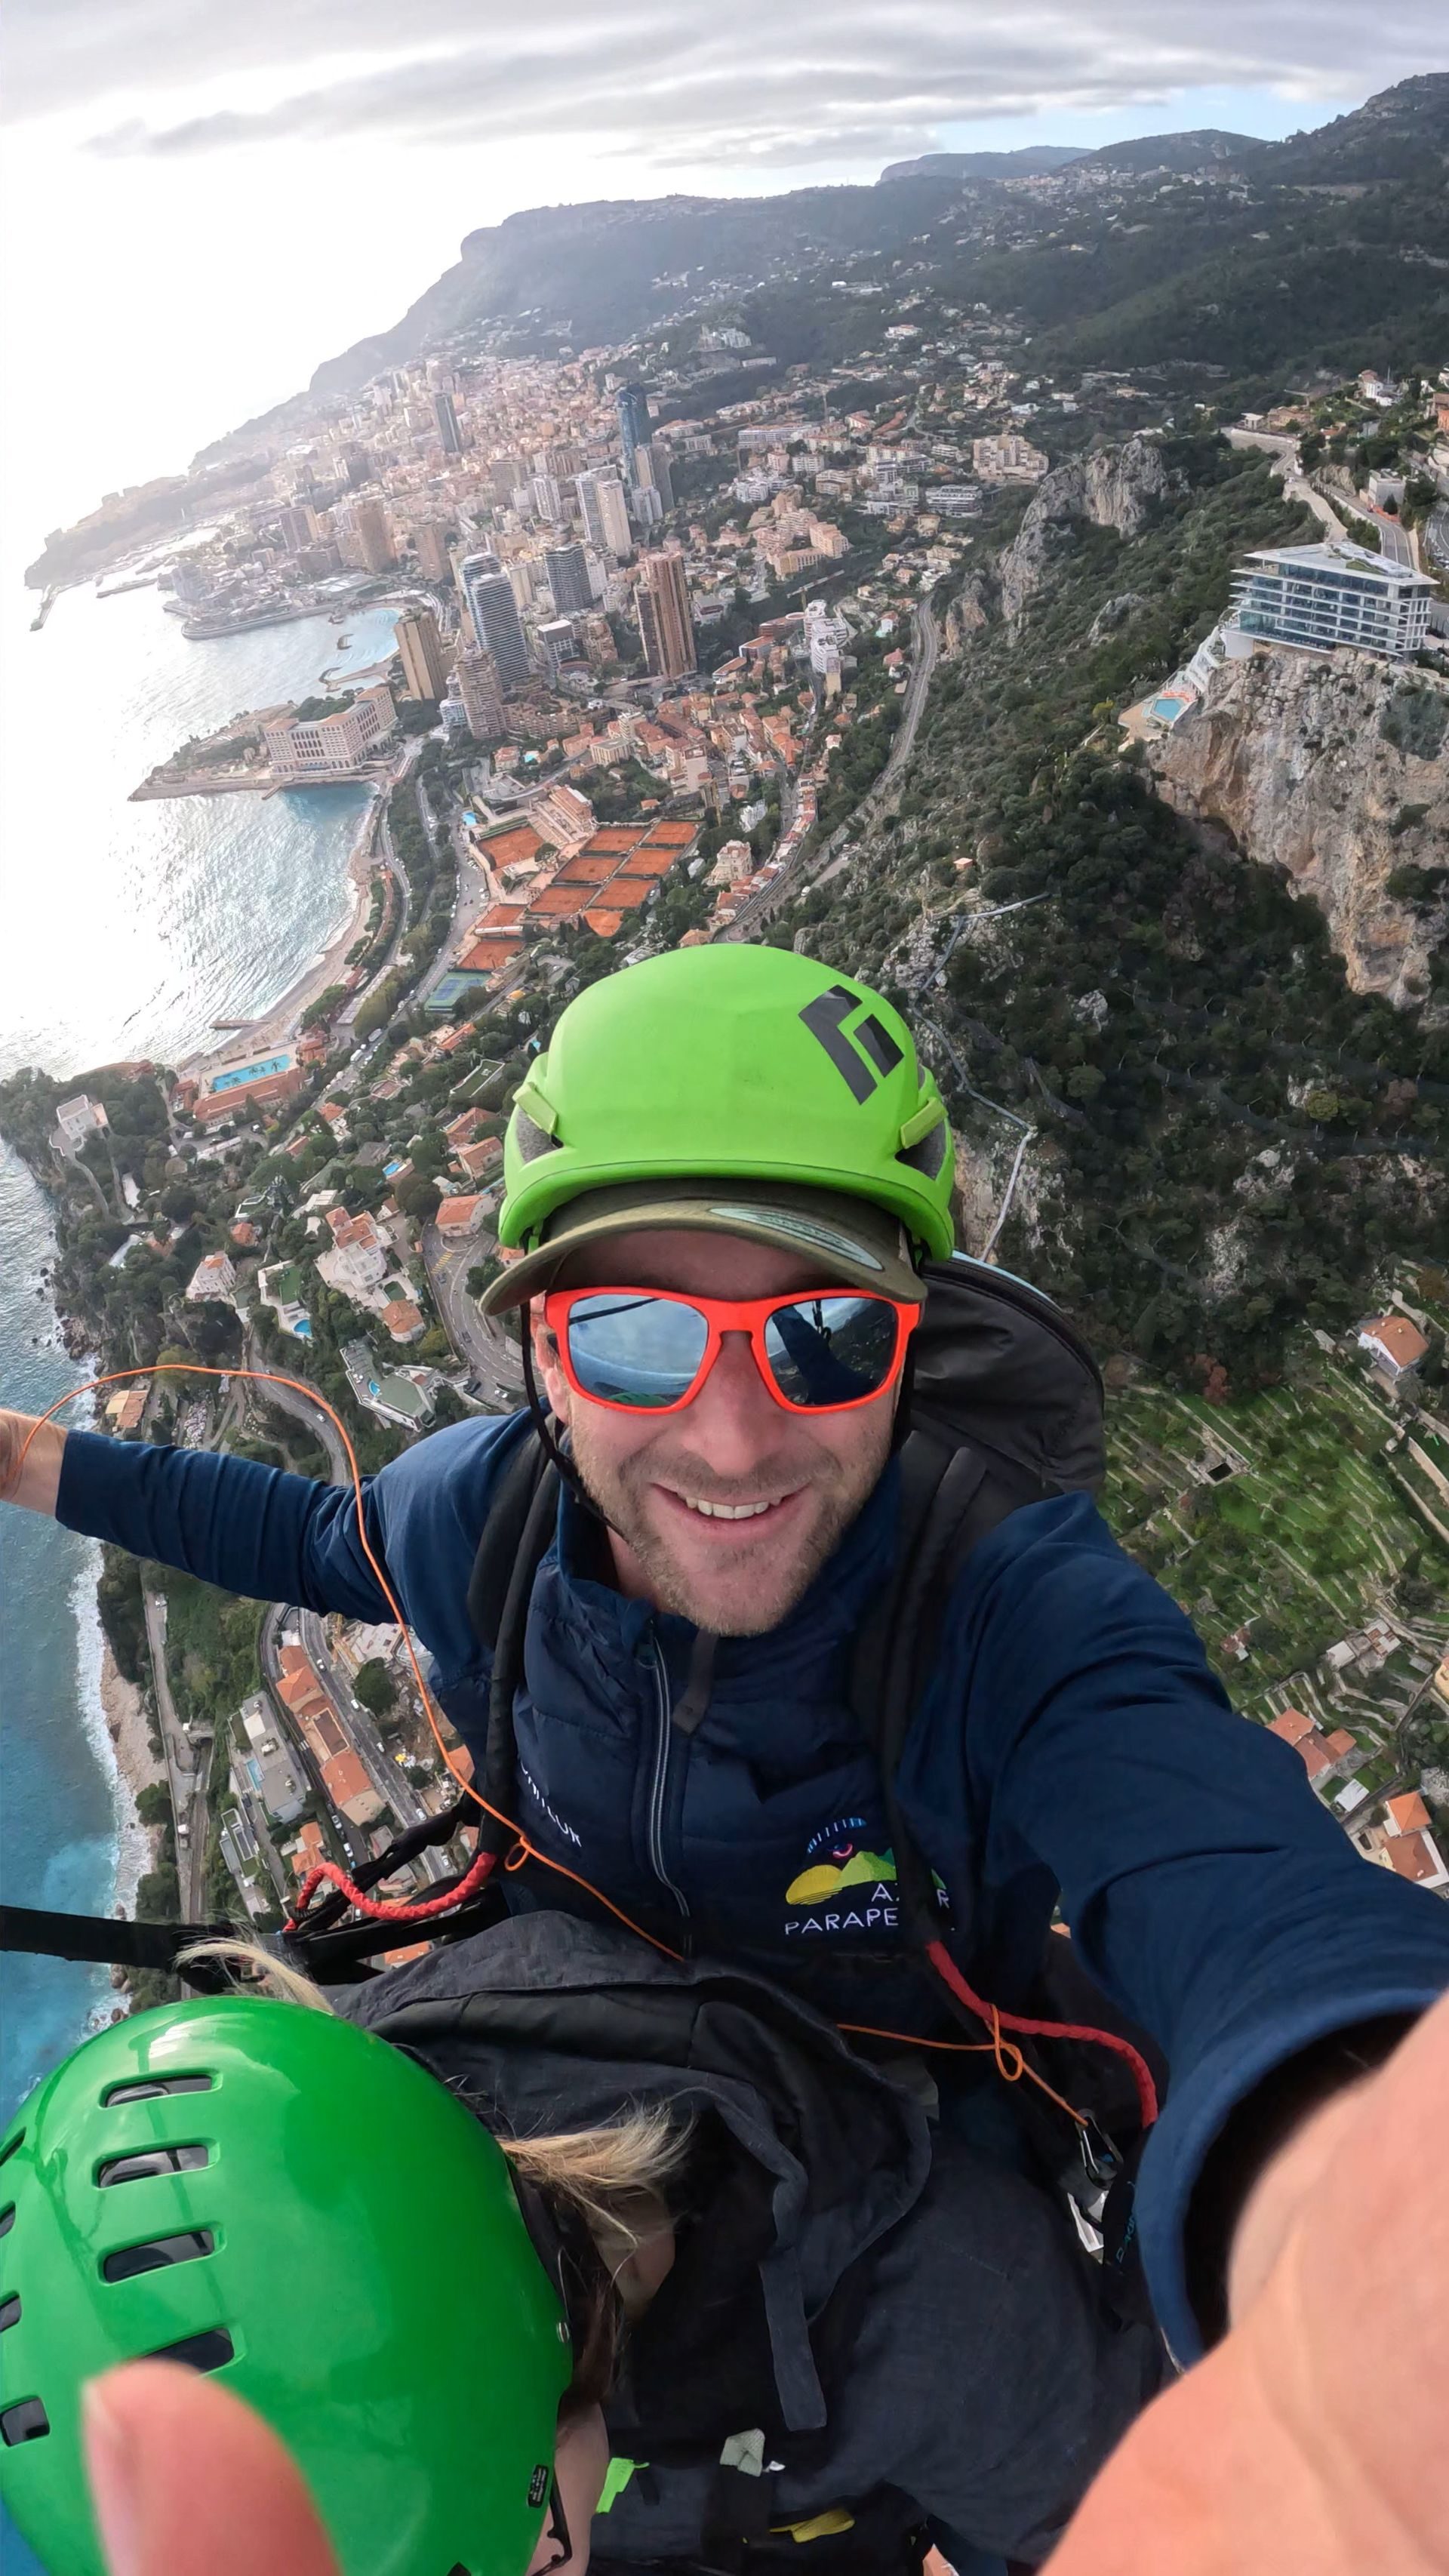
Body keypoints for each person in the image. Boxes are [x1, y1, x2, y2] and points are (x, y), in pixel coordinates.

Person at [5, 944, 1449, 2553]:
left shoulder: (1005, 1609)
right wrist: (24, 1460)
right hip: (602, 2127)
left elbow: (1227, 1875)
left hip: (898, 2192)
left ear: (912, 1339)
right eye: (636, 1335)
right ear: (546, 1353)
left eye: (822, 1333)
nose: (734, 1434)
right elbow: (295, 1531)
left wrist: (1358, 2180)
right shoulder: (487, 1519)